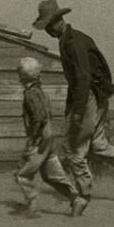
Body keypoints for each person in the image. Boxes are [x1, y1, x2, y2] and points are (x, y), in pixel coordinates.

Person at [32, 0, 114, 215]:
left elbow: (83, 78)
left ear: (58, 21)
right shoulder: (70, 39)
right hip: (92, 97)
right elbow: (78, 80)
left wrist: (77, 112)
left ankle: (83, 195)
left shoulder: (73, 43)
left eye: (49, 25)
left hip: (89, 98)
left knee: (74, 149)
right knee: (98, 146)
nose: (48, 31)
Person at [13, 56, 84, 217]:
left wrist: (33, 138)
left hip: (40, 139)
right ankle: (76, 199)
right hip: (49, 137)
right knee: (52, 174)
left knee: (22, 173)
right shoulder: (42, 92)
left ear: (22, 77)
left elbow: (38, 117)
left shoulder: (30, 94)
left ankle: (32, 207)